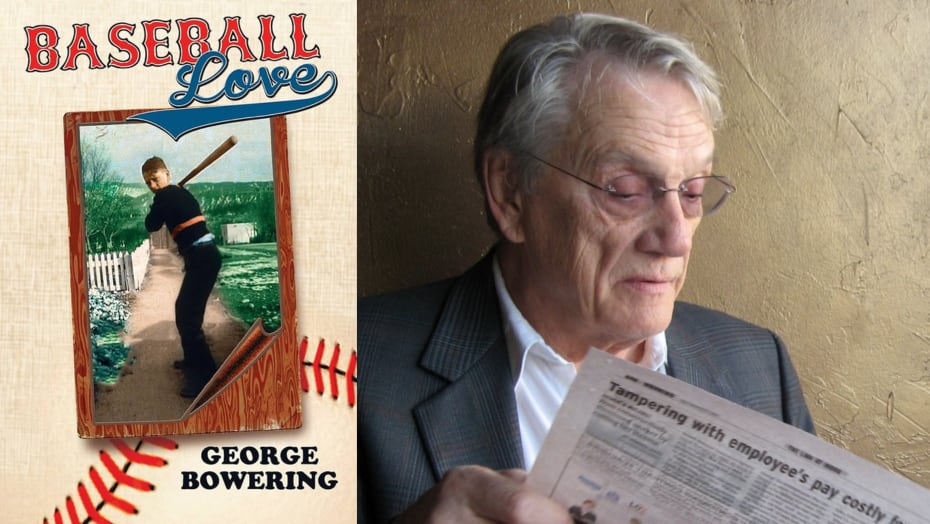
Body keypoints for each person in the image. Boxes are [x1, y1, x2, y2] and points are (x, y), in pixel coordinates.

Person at [359, 13, 815, 523]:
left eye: (691, 192)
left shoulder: (757, 365)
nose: (676, 238)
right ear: (510, 191)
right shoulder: (339, 366)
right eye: (624, 189)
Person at [142, 156, 221, 398]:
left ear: (167, 174)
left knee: (188, 319)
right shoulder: (179, 194)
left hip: (202, 258)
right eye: (148, 183)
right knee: (184, 312)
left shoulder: (166, 197)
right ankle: (193, 361)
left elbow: (150, 224)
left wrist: (157, 201)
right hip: (203, 257)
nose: (153, 185)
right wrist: (164, 196)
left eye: (155, 179)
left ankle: (204, 375)